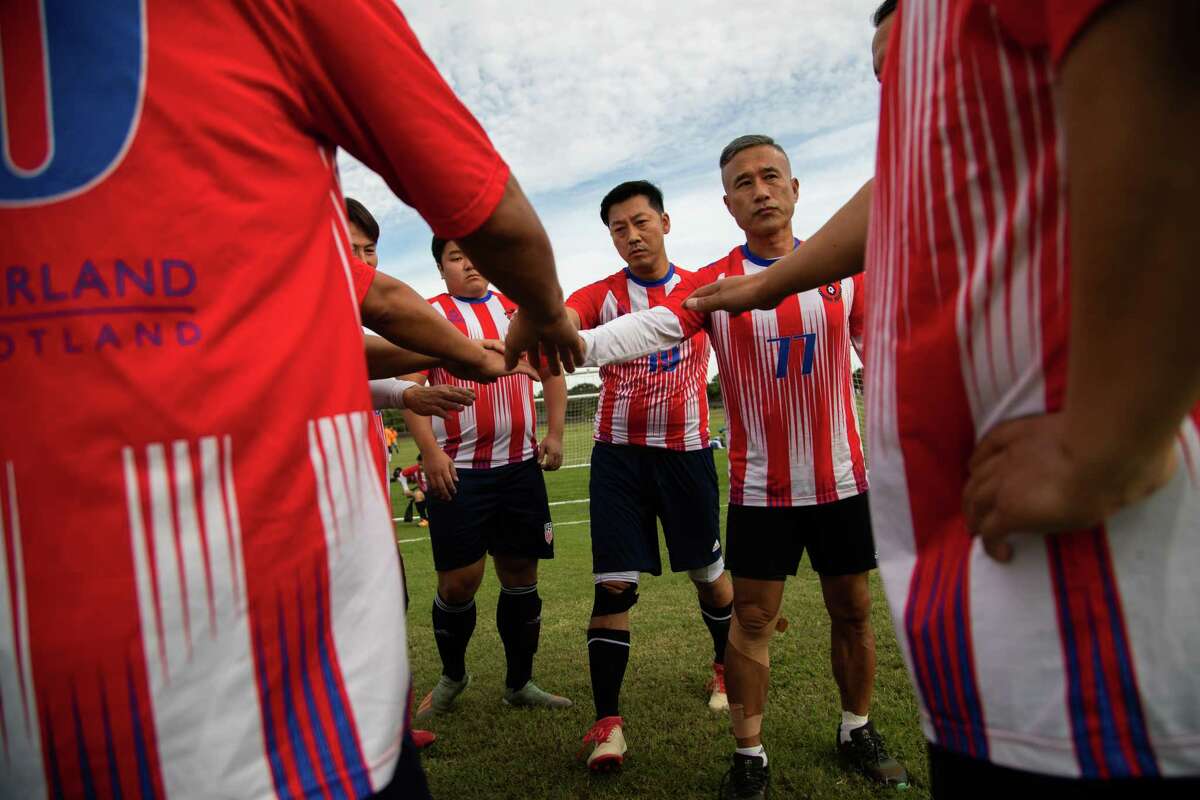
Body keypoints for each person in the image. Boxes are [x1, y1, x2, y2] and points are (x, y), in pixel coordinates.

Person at [0, 2, 576, 797]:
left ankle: (508, 677)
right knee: (451, 587)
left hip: (35, 718)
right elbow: (468, 224)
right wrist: (534, 314)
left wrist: (456, 365)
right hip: (292, 707)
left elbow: (359, 338)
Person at [532, 135, 907, 799]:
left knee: (852, 611)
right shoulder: (714, 284)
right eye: (742, 182)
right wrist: (580, 343)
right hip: (761, 488)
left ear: (795, 188)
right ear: (728, 204)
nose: (759, 190)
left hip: (844, 481)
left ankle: (857, 727)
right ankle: (750, 755)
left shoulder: (847, 267)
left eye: (770, 177)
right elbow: (653, 329)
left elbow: (884, 357)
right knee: (751, 622)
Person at [567, 181, 734, 771]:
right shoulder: (601, 295)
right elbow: (569, 320)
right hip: (617, 458)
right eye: (619, 228)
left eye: (641, 222)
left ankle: (724, 665)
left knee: (708, 576)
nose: (632, 236)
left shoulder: (698, 290)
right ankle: (608, 723)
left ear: (665, 221)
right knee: (613, 585)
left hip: (685, 454)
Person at [404, 238, 573, 719]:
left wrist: (556, 433)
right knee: (460, 583)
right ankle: (453, 676)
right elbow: (411, 389)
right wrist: (430, 451)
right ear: (442, 269)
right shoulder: (429, 316)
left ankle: (520, 682)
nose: (470, 263)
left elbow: (553, 372)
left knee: (521, 575)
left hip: (519, 468)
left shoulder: (517, 312)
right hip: (459, 472)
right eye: (456, 257)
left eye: (476, 253)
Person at [400, 457, 430, 527]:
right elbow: (402, 474)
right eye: (419, 464)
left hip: (437, 493)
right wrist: (406, 489)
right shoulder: (416, 469)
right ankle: (424, 519)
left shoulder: (435, 467)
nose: (420, 467)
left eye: (422, 464)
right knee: (418, 494)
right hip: (425, 493)